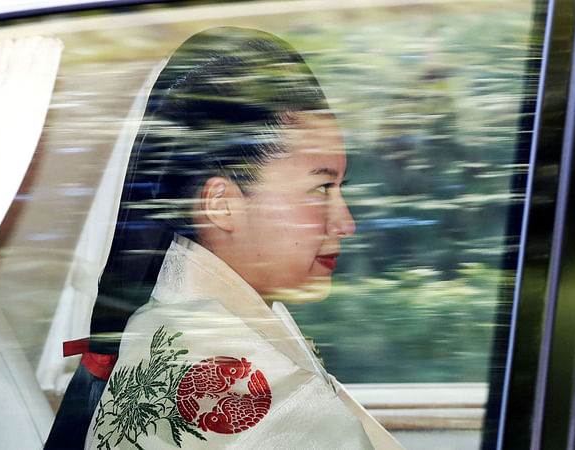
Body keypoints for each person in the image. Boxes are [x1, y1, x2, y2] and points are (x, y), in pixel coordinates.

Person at [53, 26, 403, 449]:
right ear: (221, 204)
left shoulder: (202, 324)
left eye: (341, 188)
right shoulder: (222, 366)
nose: (345, 223)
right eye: (322, 189)